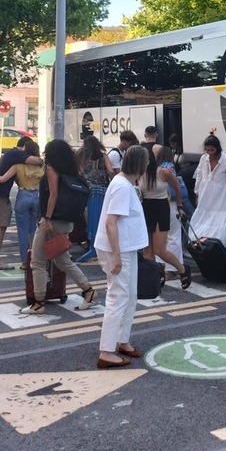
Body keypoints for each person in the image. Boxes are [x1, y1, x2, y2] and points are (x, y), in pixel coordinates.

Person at [22, 139, 99, 314]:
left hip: (52, 222)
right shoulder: (71, 171)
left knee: (37, 262)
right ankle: (89, 291)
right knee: (63, 261)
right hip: (67, 221)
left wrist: (47, 219)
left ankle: (38, 303)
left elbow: (53, 194)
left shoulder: (52, 169)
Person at [94, 145, 150, 368]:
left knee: (129, 295)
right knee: (118, 297)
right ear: (141, 165)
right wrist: (116, 255)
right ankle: (106, 351)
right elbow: (111, 222)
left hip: (126, 249)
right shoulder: (122, 186)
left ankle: (122, 340)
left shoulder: (124, 184)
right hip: (119, 250)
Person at [138, 137, 191, 289]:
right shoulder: (139, 173)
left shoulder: (164, 172)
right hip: (146, 208)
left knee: (160, 250)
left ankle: (182, 270)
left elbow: (178, 187)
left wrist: (180, 206)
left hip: (161, 208)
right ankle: (155, 276)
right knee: (147, 250)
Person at [0, 136, 37, 270]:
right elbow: (37, 160)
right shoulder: (16, 155)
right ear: (23, 147)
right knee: (0, 227)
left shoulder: (10, 155)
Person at [188, 134, 226, 247]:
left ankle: (217, 245)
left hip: (221, 195)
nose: (210, 152)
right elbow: (199, 176)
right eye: (208, 150)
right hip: (205, 193)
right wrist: (197, 194)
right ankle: (200, 242)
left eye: (212, 150)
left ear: (217, 148)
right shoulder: (203, 158)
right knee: (202, 217)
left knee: (219, 219)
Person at [156, 144, 186, 278]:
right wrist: (180, 206)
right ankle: (171, 268)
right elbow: (177, 187)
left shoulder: (156, 169)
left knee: (160, 238)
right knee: (173, 236)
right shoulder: (170, 168)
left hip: (159, 204)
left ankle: (160, 264)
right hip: (171, 204)